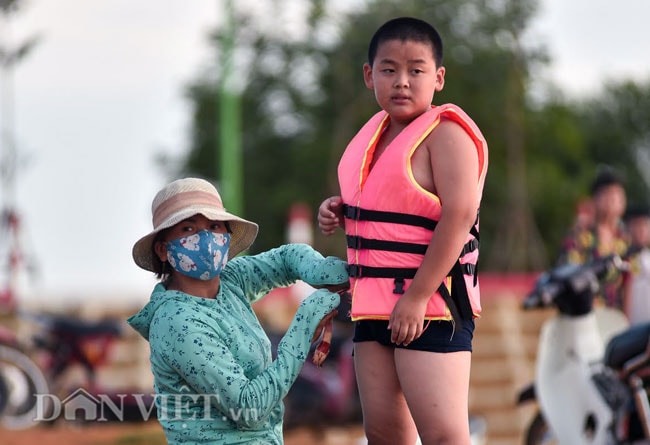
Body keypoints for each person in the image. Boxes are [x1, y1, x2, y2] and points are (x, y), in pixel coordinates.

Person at [318, 17, 488, 445]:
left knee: (443, 436)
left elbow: (459, 216)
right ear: (369, 74)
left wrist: (415, 298)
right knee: (384, 435)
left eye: (417, 70)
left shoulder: (447, 135)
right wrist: (338, 210)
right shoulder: (372, 137)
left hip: (430, 306)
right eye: (389, 69)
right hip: (371, 307)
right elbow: (389, 205)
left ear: (439, 77)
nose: (402, 81)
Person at [127, 177, 349, 444]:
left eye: (214, 226)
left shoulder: (230, 281)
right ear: (163, 249)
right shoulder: (177, 322)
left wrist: (316, 268)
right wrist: (303, 328)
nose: (206, 238)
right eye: (188, 228)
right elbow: (249, 407)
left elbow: (284, 260)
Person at [556, 166, 630, 310]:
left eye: (619, 195)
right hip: (587, 314)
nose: (614, 200)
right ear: (595, 200)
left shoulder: (625, 238)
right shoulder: (581, 236)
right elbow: (566, 272)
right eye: (608, 195)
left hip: (618, 316)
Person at [623, 204, 650, 324]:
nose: (642, 230)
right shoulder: (622, 259)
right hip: (629, 328)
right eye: (637, 225)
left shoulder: (647, 257)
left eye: (645, 225)